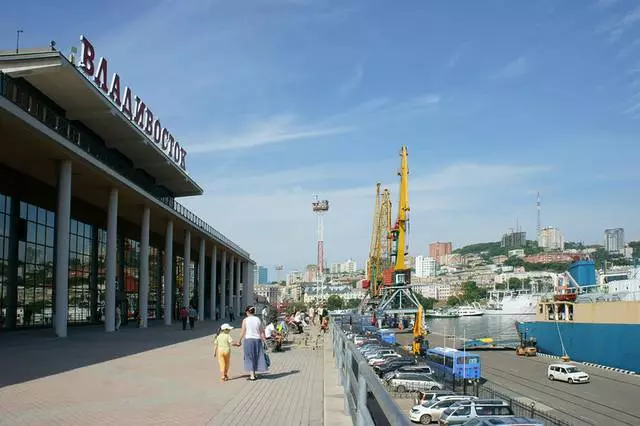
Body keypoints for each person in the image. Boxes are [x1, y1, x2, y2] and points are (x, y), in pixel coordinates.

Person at [237, 306, 268, 381]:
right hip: (257, 340)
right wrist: (265, 341)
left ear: (247, 312)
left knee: (249, 357)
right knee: (256, 356)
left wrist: (239, 340)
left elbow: (243, 331)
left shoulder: (245, 320)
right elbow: (261, 331)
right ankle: (253, 374)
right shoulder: (258, 319)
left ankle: (252, 376)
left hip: (248, 340)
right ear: (253, 312)